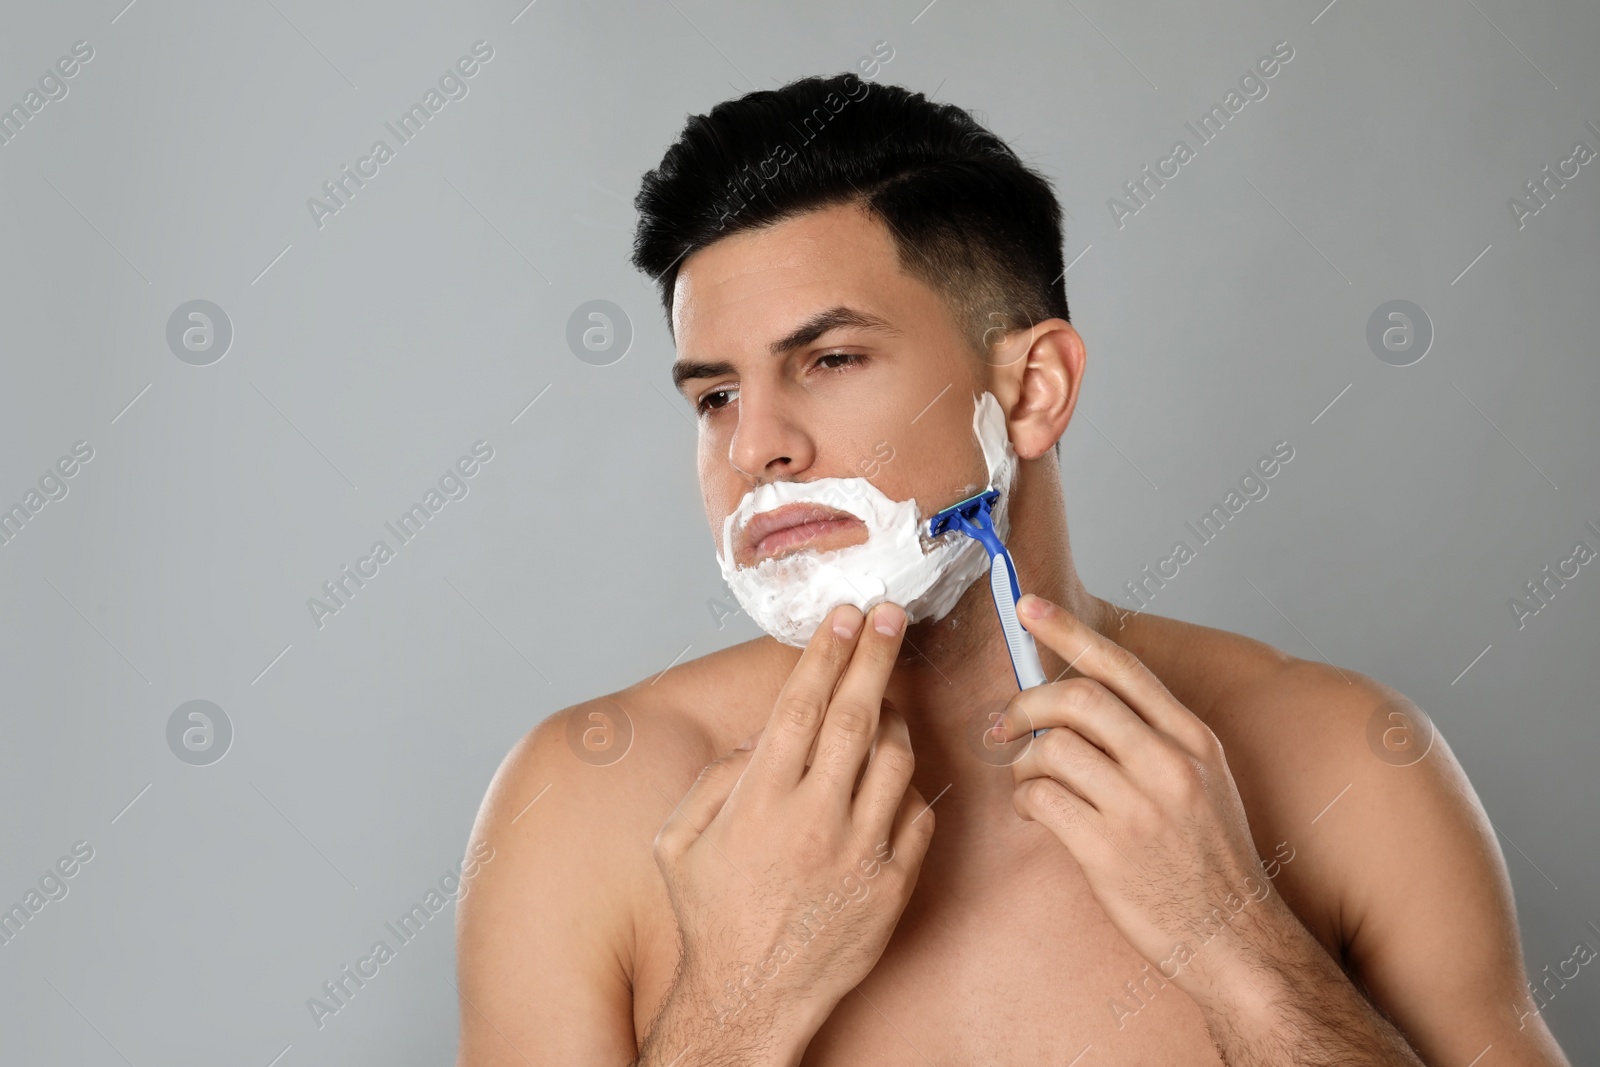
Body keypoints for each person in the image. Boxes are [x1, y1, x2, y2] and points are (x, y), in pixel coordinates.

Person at [453, 74, 1571, 1066]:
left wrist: (1236, 938)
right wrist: (744, 1003)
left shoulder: (1344, 760)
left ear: (1032, 391)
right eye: (715, 396)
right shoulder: (586, 802)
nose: (756, 448)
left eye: (830, 360)